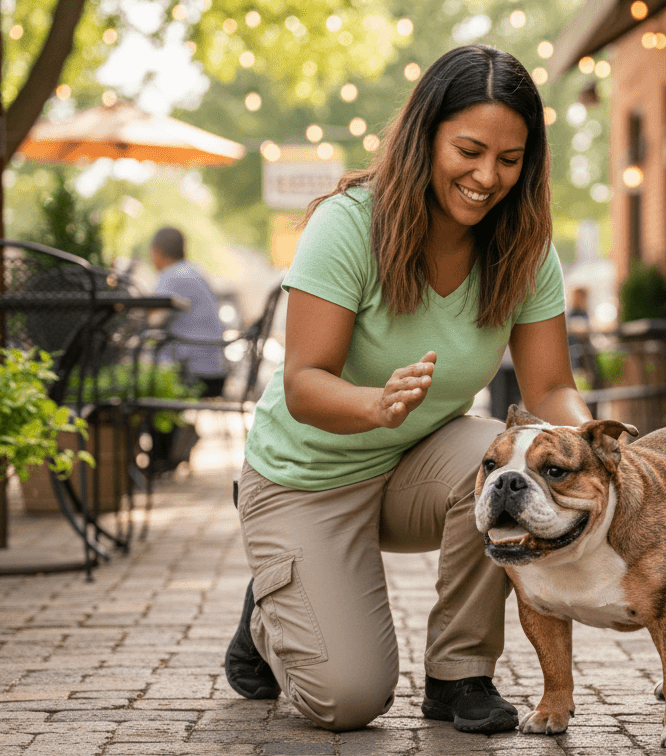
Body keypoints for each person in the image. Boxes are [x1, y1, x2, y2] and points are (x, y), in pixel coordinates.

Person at [225, 44, 592, 734]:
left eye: (509, 161)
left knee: (502, 456)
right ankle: (272, 614)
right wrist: (375, 404)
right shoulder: (349, 226)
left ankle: (460, 675)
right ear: (426, 136)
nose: (488, 177)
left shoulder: (525, 248)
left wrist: (595, 441)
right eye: (470, 150)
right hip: (307, 476)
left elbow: (549, 387)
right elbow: (303, 383)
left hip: (417, 466)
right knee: (348, 700)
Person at [149, 227, 229, 398]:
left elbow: (155, 319)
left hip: (193, 373)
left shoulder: (172, 276)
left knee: (136, 370)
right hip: (215, 369)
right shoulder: (195, 271)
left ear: (157, 252)